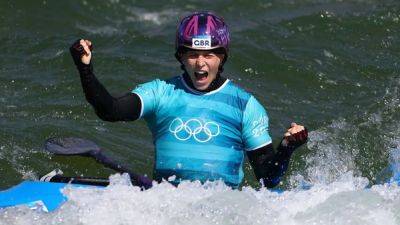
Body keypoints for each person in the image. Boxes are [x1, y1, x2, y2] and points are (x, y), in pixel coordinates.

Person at [69, 12, 308, 189]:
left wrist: (287, 149)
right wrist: (85, 70)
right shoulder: (161, 93)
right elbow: (110, 110)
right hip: (168, 203)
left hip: (224, 210)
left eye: (209, 54)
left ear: (222, 58)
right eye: (192, 55)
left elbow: (268, 178)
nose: (200, 63)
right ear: (180, 57)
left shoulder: (245, 105)